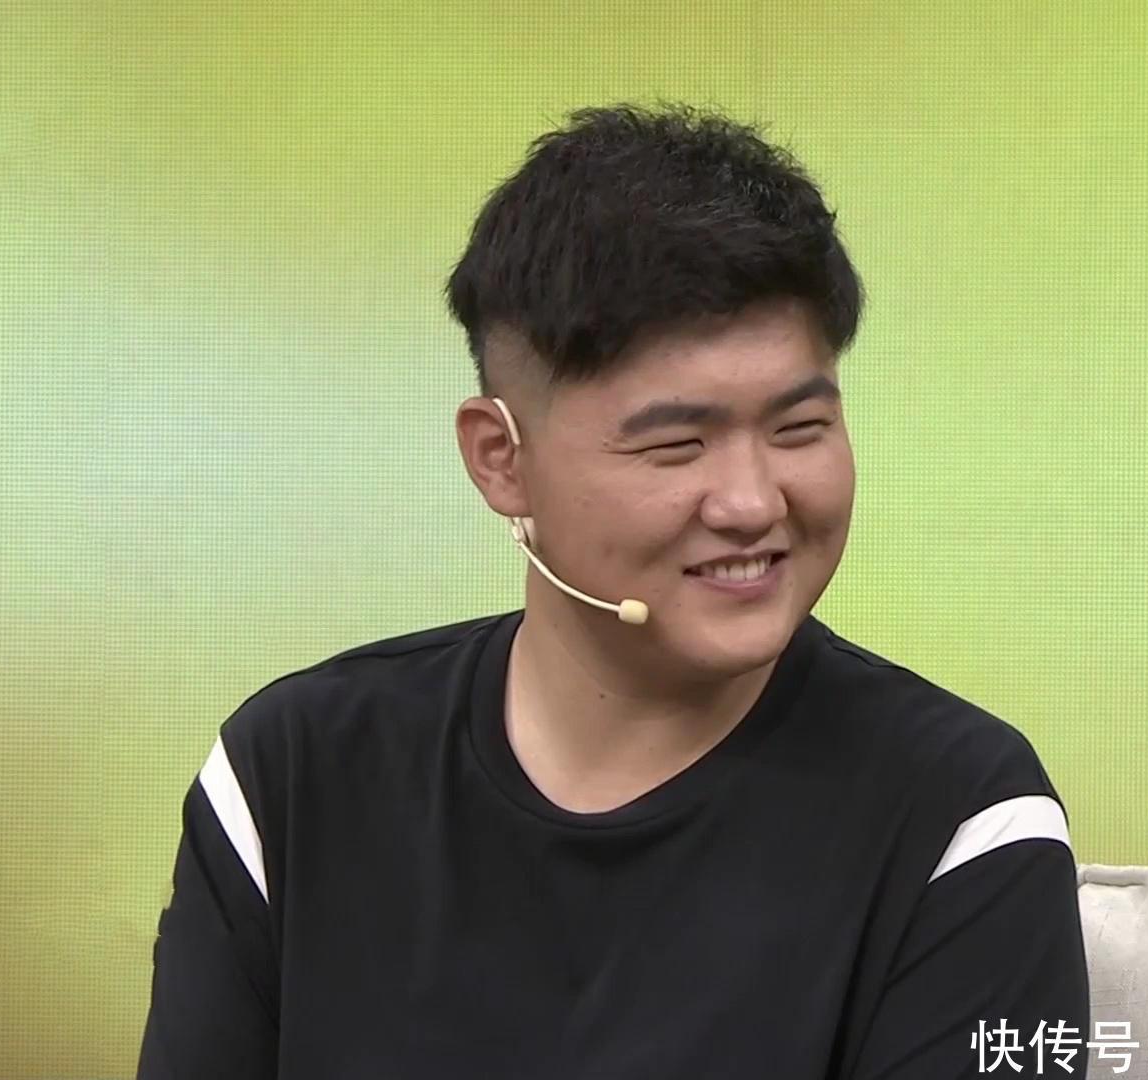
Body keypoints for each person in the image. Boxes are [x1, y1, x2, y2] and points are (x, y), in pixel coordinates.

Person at [136, 102, 1089, 1079]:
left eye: (799, 429)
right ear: (501, 459)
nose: (753, 502)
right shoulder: (295, 778)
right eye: (676, 444)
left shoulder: (961, 815)